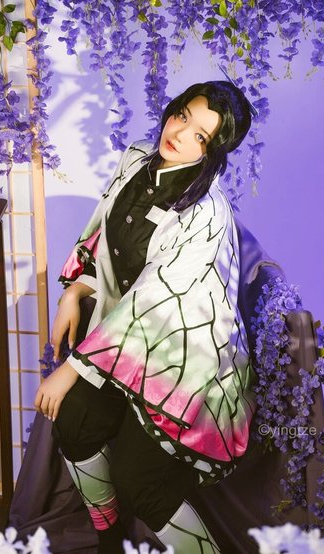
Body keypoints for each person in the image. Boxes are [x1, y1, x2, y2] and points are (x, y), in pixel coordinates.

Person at [34, 80, 254, 553]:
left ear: (213, 152)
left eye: (200, 135)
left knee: (141, 482)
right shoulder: (136, 158)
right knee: (73, 423)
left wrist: (70, 369)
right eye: (182, 116)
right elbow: (104, 233)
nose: (179, 134)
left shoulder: (205, 215)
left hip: (183, 360)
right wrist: (76, 290)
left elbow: (152, 303)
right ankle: (109, 538)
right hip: (119, 343)